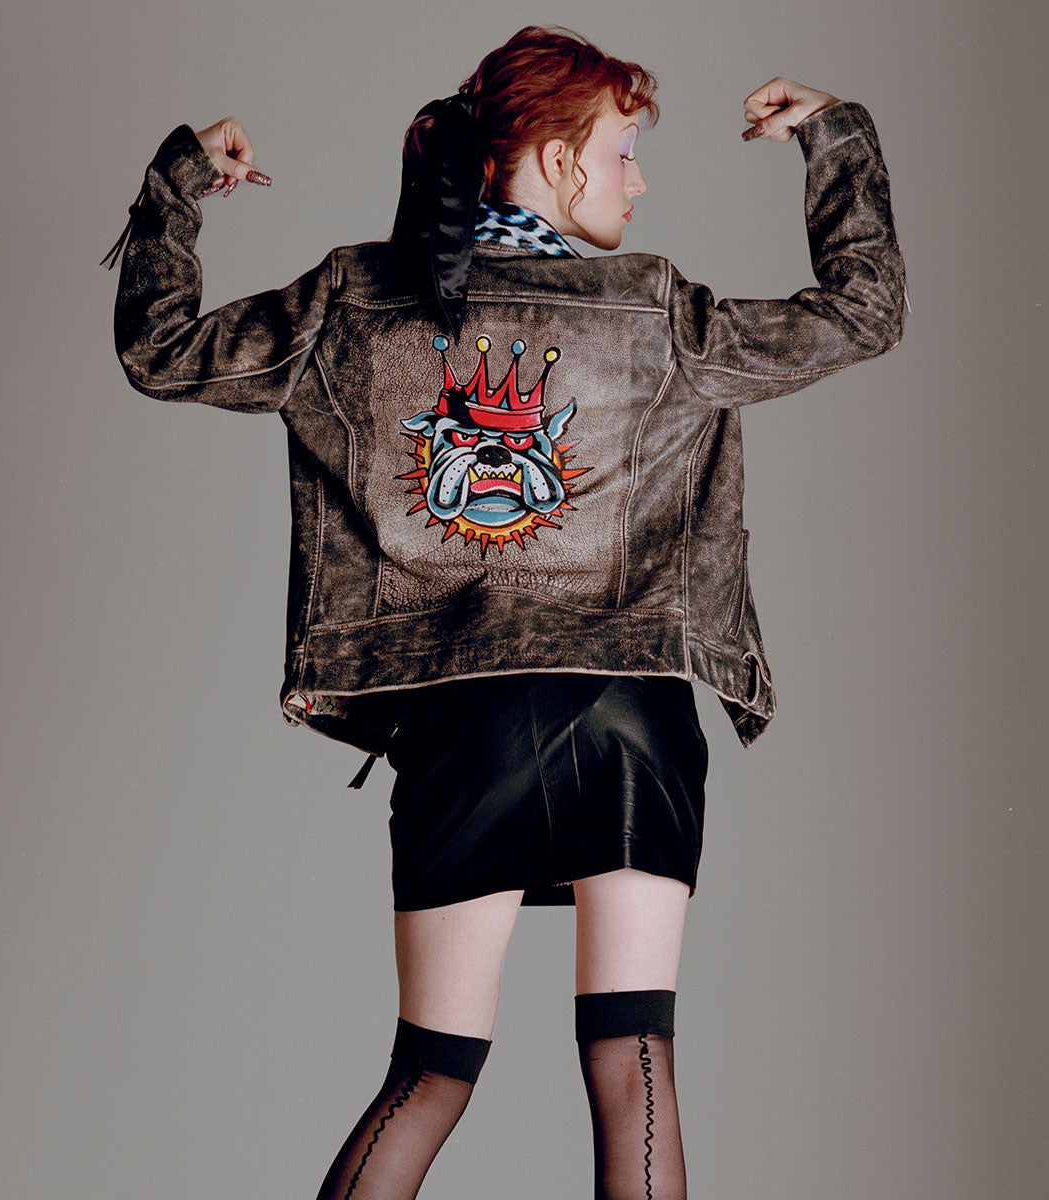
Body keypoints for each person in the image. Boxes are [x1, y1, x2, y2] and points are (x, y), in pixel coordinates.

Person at [102, 23, 906, 1200]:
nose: (638, 179)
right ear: (564, 158)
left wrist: (179, 183)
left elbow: (159, 350)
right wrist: (833, 136)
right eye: (624, 150)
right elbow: (865, 310)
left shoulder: (349, 303)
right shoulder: (660, 314)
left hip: (461, 731)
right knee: (635, 1065)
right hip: (633, 720)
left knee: (429, 1075)